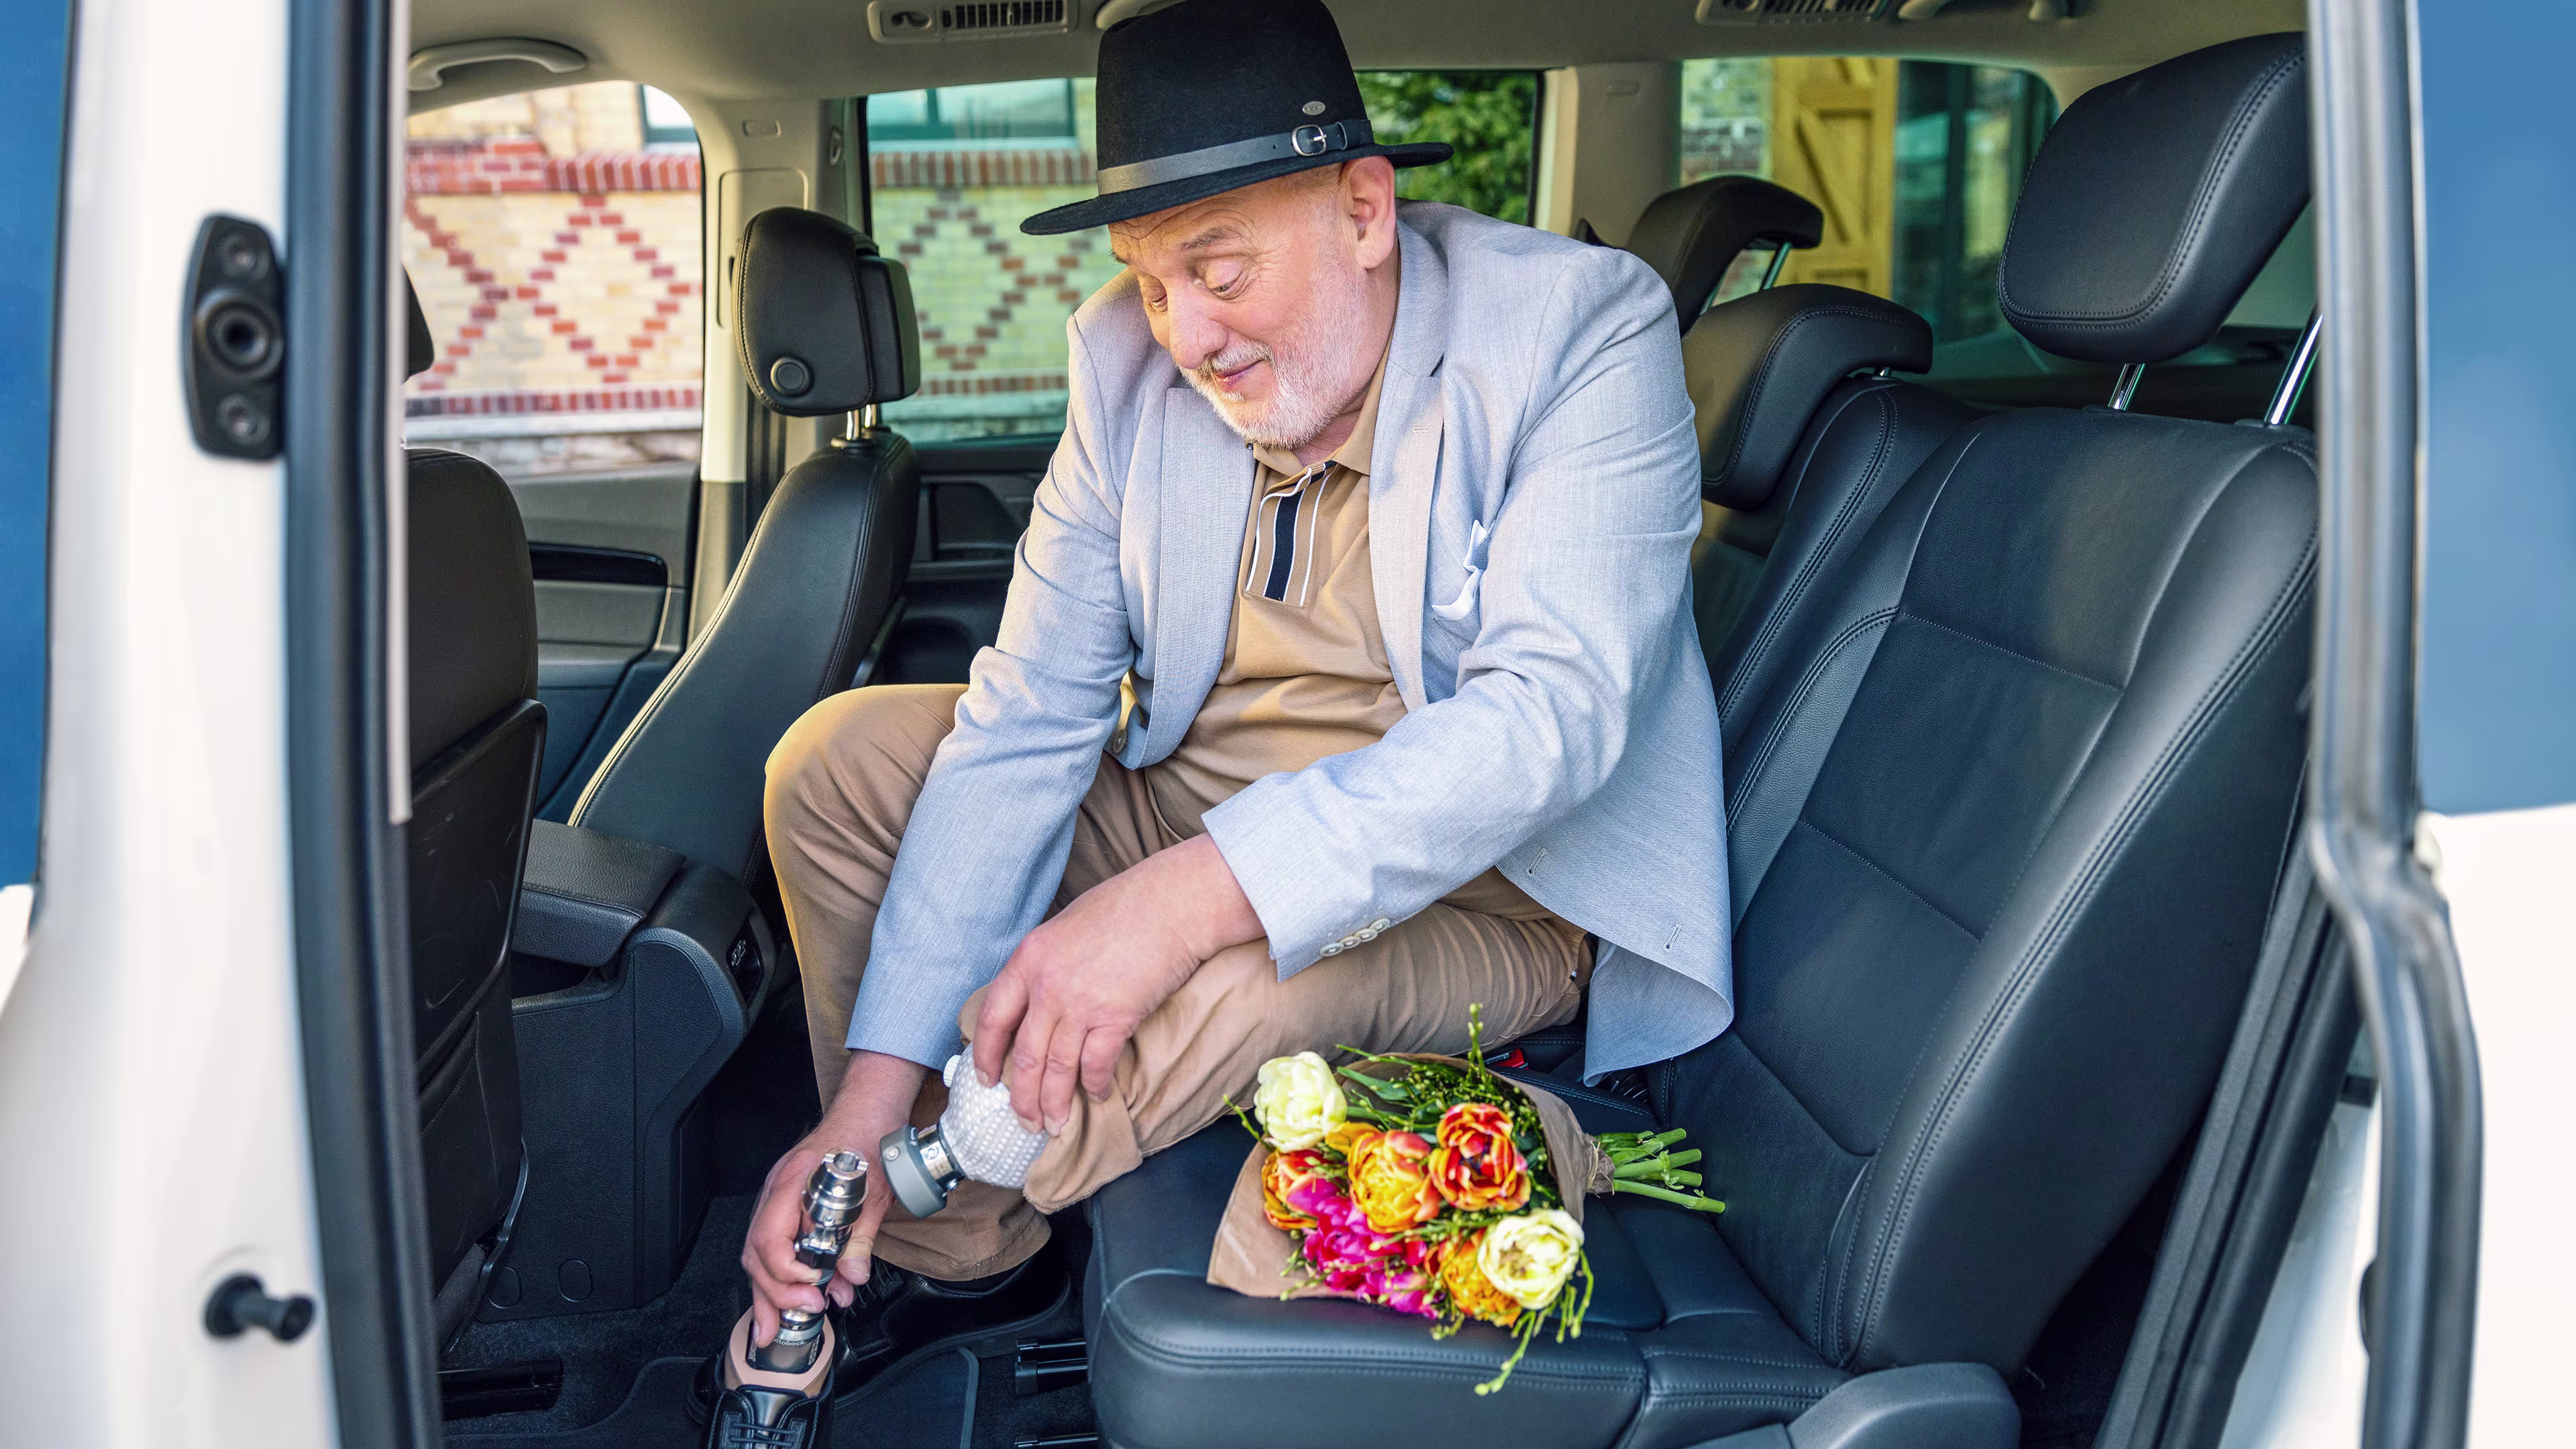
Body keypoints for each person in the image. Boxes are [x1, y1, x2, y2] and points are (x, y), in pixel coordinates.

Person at [722, 0, 1733, 1391]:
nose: (1187, 333)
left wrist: (1174, 905)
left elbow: (1548, 720)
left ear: (1364, 211)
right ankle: (957, 1245)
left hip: (1494, 891)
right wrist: (866, 1091)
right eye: (1151, 281)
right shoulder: (1123, 362)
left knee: (1244, 979)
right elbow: (1028, 717)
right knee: (842, 762)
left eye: (1220, 270)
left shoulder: (1576, 333)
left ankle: (906, 1198)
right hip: (1196, 805)